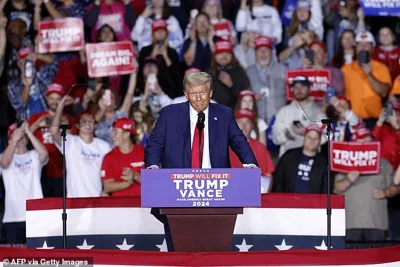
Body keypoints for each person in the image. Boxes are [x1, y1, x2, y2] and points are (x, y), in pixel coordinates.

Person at [144, 71, 258, 251]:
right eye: (193, 93)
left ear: (211, 92)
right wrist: (152, 166)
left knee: (214, 248)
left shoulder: (224, 114)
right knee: (179, 249)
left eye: (202, 93)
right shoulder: (170, 114)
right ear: (185, 94)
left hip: (217, 192)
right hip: (177, 191)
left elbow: (239, 141)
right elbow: (154, 144)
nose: (198, 98)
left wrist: (250, 164)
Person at [50, 96, 111, 197]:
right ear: (77, 126)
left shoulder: (104, 146)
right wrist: (61, 105)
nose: (87, 124)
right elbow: (53, 131)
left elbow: (109, 172)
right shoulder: (70, 142)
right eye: (83, 121)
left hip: (97, 199)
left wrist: (106, 191)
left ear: (95, 125)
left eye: (91, 121)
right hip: (75, 202)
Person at [0, 121, 48, 244]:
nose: (20, 139)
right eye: (16, 136)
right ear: (10, 139)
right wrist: (13, 141)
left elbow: (44, 154)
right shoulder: (4, 156)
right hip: (13, 216)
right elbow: (4, 163)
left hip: (36, 214)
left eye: (23, 137)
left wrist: (28, 132)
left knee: (37, 257)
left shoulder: (34, 156)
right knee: (14, 260)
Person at [272, 124, 329, 194]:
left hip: (312, 203)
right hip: (288, 201)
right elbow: (278, 180)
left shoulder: (324, 162)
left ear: (319, 141)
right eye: (309, 137)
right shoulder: (289, 156)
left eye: (315, 138)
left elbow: (325, 188)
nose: (312, 141)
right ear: (304, 138)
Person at [101, 118, 144, 197]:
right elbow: (107, 187)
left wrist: (135, 175)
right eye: (113, 131)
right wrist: (128, 183)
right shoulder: (109, 157)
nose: (112, 135)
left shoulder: (144, 153)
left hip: (144, 205)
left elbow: (155, 183)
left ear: (126, 134)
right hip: (120, 207)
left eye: (116, 132)